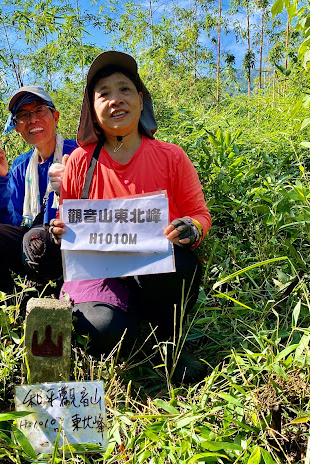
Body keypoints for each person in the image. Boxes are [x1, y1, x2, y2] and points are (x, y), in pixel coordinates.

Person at [50, 51, 212, 383]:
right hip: (98, 273)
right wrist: (59, 229)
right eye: (104, 94)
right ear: (92, 110)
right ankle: (129, 332)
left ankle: (167, 343)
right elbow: (64, 216)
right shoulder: (80, 161)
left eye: (124, 90)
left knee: (182, 266)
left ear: (140, 100)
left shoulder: (171, 156)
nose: (115, 100)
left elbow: (199, 214)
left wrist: (192, 228)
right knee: (104, 331)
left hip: (153, 272)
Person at [0, 86, 77, 294]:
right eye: (23, 115)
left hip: (72, 242)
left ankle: (67, 290)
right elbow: (7, 223)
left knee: (39, 237)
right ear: (17, 127)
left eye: (39, 110)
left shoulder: (78, 153)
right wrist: (1, 177)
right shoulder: (21, 165)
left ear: (55, 117)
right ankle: (14, 299)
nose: (32, 119)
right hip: (33, 245)